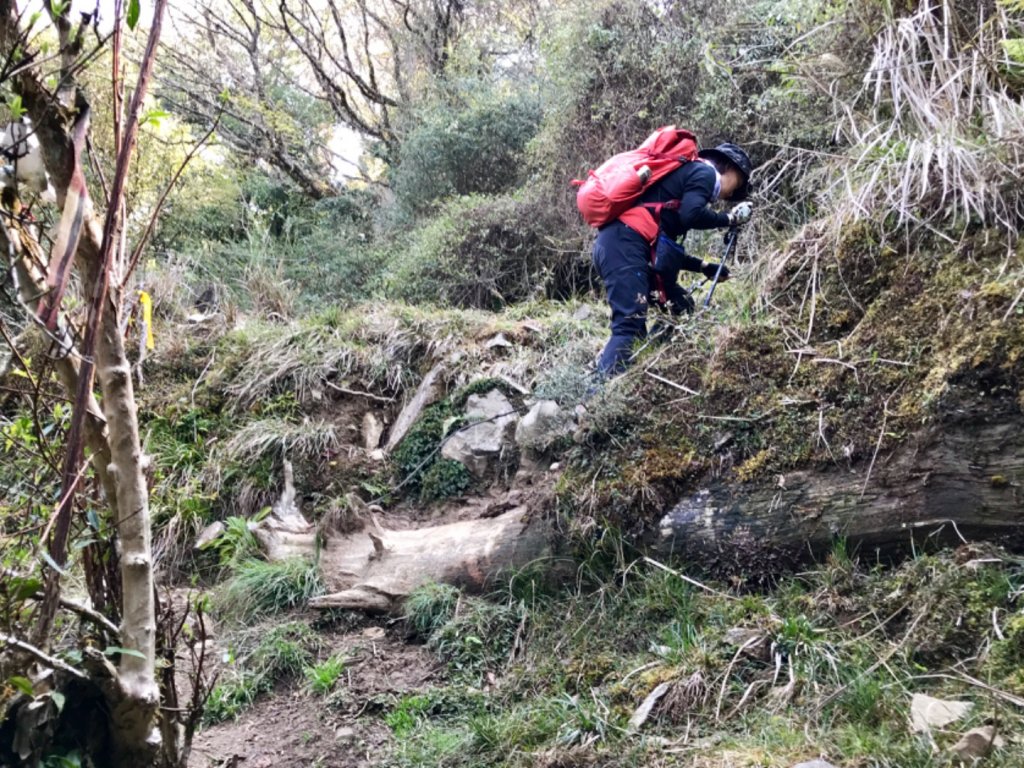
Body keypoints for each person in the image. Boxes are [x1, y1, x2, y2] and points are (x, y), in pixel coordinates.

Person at [591, 142, 754, 376]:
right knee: (629, 326)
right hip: (624, 249)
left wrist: (704, 267)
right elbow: (692, 215)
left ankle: (647, 365)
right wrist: (729, 219)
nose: (730, 194)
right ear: (728, 167)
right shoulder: (705, 172)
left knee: (680, 306)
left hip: (622, 248)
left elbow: (665, 248)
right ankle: (596, 401)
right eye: (736, 184)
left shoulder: (682, 186)